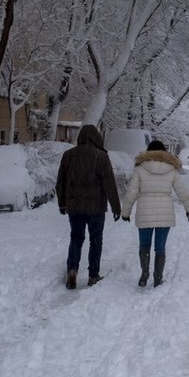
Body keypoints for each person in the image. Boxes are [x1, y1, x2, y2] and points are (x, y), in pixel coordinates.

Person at [55, 124, 121, 290]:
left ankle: (72, 271)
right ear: (96, 138)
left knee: (76, 238)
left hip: (74, 207)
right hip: (95, 208)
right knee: (96, 240)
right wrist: (116, 207)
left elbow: (60, 183)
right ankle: (93, 275)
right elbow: (109, 184)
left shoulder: (68, 156)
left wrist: (62, 203)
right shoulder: (101, 157)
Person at [121, 139, 189, 288]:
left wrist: (126, 212)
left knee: (144, 245)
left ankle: (144, 273)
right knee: (160, 247)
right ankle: (158, 278)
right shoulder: (171, 169)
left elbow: (132, 192)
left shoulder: (140, 168)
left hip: (145, 213)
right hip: (165, 213)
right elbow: (182, 191)